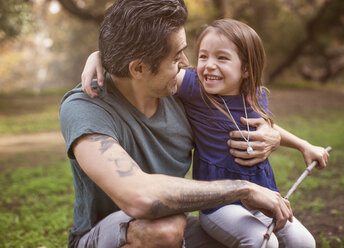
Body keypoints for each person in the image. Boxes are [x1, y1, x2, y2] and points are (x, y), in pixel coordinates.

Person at [60, 0, 293, 247]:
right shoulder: (85, 106)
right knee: (163, 229)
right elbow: (139, 197)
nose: (185, 62)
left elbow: (233, 112)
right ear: (138, 68)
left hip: (175, 224)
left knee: (264, 237)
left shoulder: (180, 95)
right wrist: (244, 189)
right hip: (110, 236)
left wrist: (272, 133)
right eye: (175, 56)